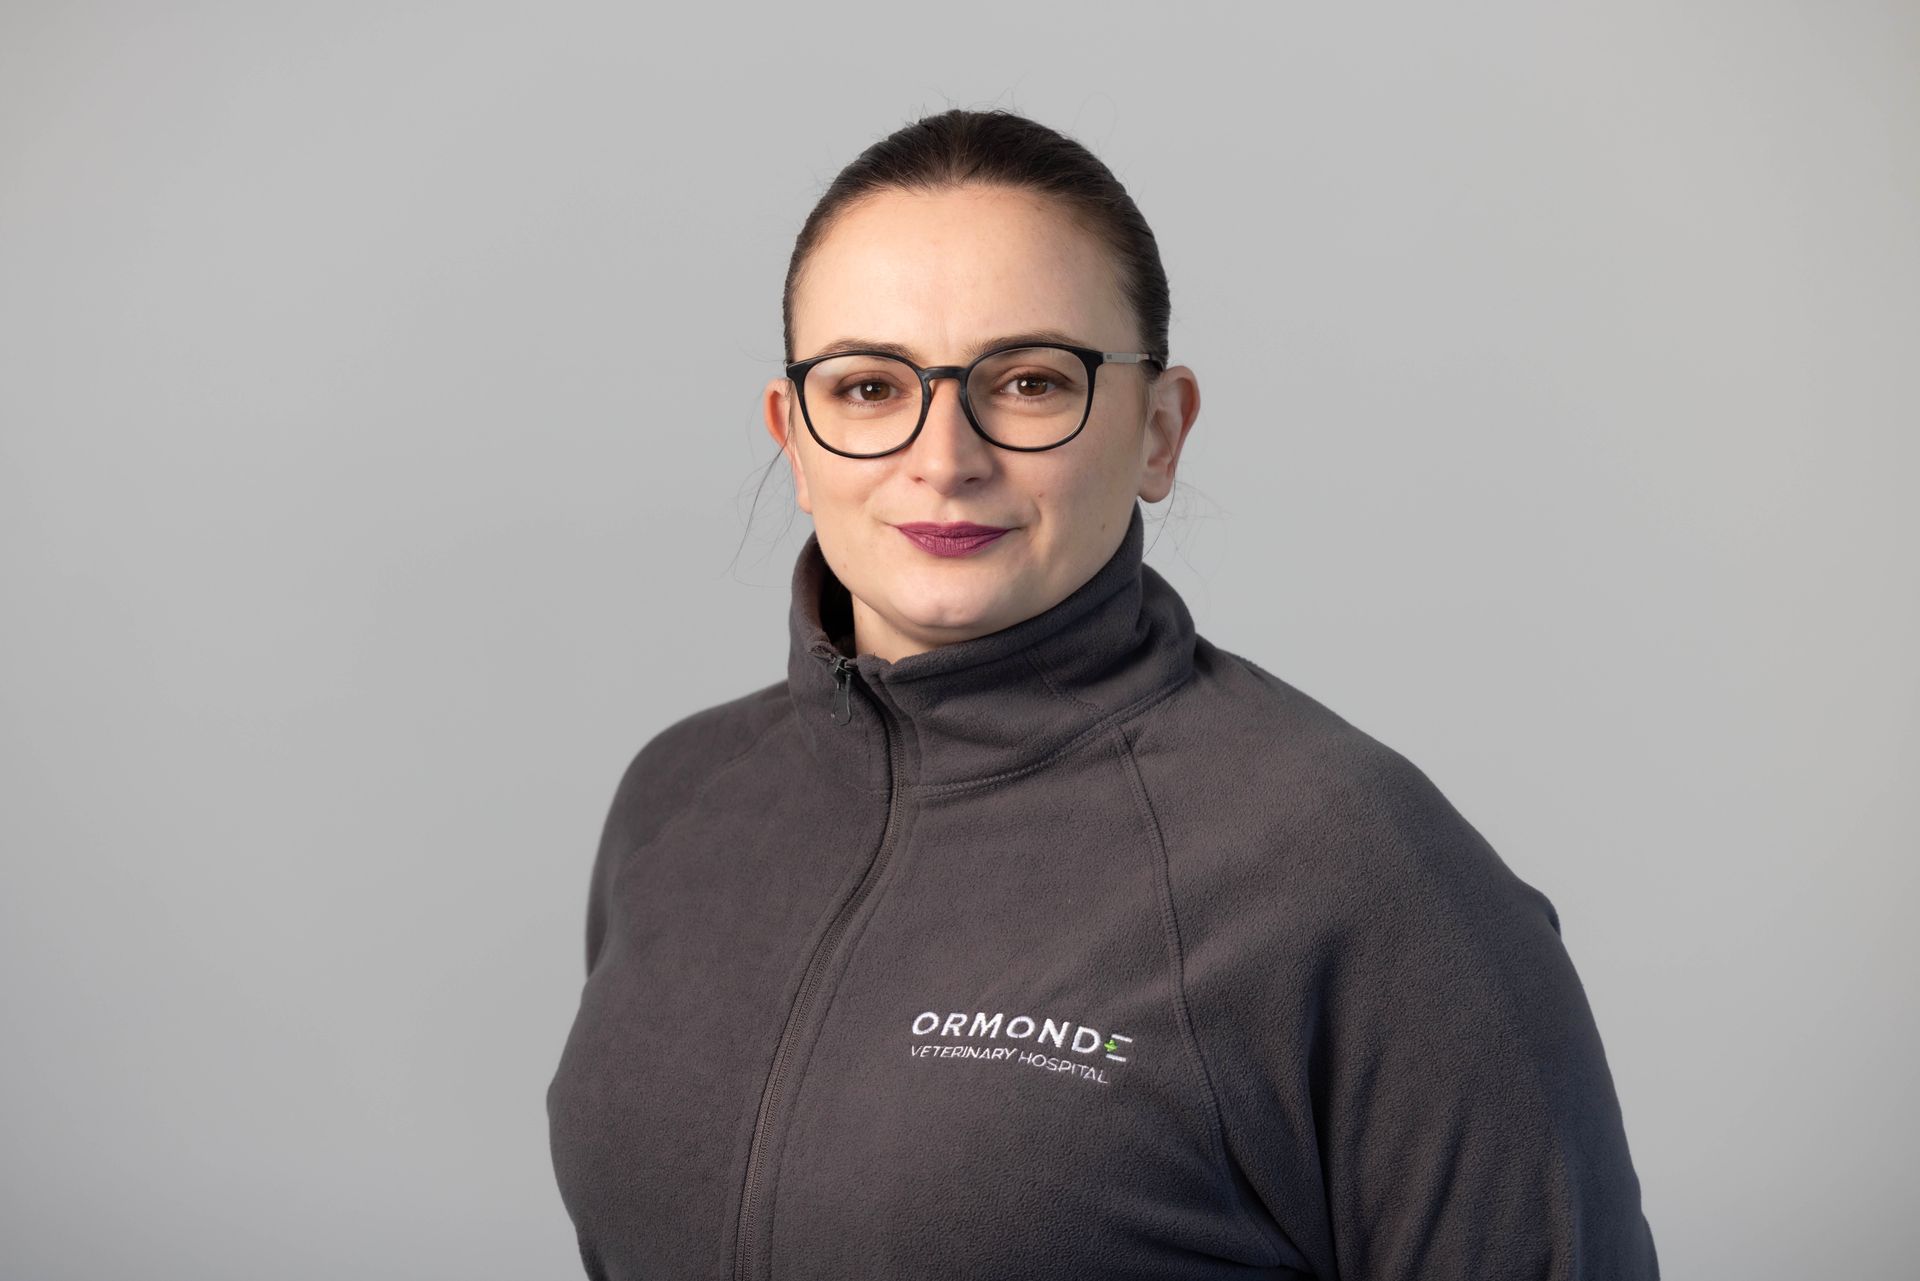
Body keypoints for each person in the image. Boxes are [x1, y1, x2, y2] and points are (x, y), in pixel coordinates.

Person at [546, 108, 1660, 1281]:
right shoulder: (677, 803)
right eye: (869, 387)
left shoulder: (1354, 872)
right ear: (795, 438)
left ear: (1159, 432)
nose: (944, 457)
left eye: (1030, 382)